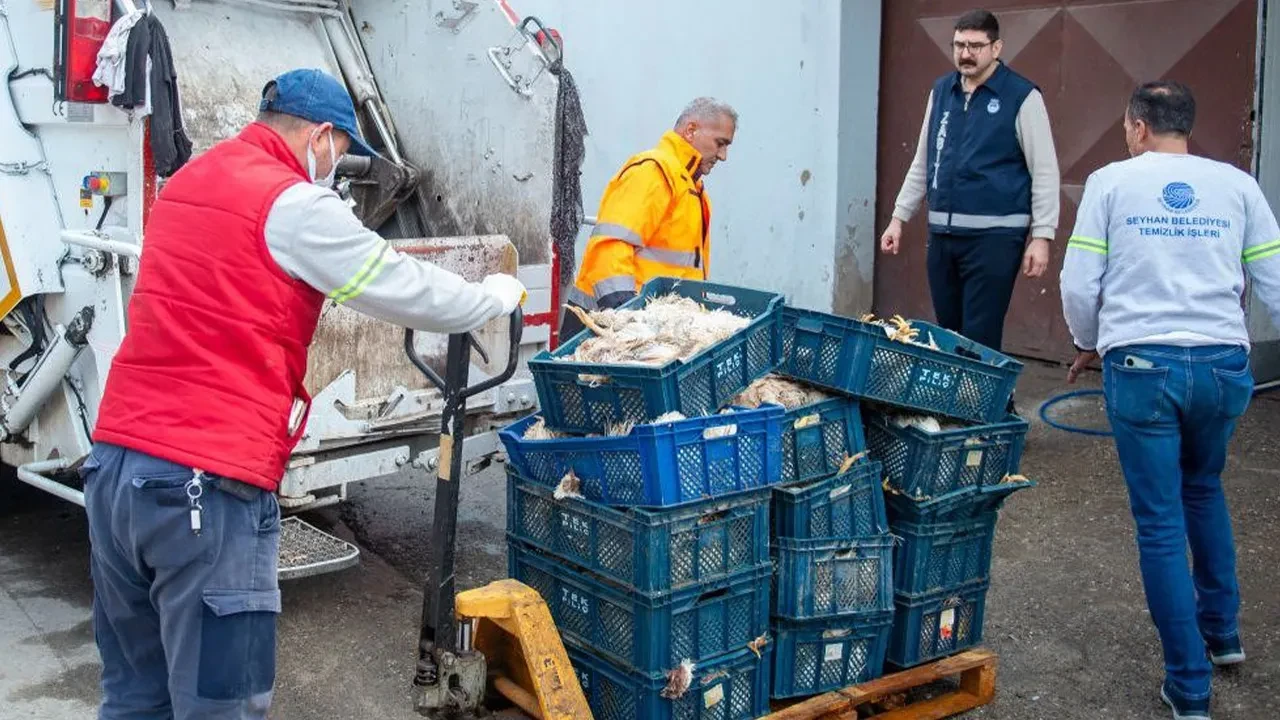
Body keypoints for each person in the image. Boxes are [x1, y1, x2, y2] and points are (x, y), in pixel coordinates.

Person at [80, 68, 526, 719]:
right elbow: (394, 281)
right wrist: (486, 300)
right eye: (343, 151)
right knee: (220, 701)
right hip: (203, 484)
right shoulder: (291, 203)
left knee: (133, 696)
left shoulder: (188, 184)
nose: (340, 167)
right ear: (321, 135)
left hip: (116, 470)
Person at [1061, 81, 1280, 720]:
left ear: (1136, 126)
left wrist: (1088, 341)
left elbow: (1080, 284)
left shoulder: (1110, 182)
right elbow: (1272, 277)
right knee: (1205, 489)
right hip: (1220, 366)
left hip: (1141, 365)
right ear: (1186, 126)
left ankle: (1188, 685)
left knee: (1159, 522)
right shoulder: (1236, 185)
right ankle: (1224, 636)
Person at [880, 9, 1059, 372]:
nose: (966, 53)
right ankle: (955, 411)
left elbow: (1044, 170)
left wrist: (1042, 235)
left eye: (976, 46)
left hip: (995, 238)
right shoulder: (941, 90)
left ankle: (986, 414)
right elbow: (923, 160)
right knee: (949, 332)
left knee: (980, 335)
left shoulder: (1021, 96)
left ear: (996, 48)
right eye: (960, 44)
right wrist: (898, 218)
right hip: (944, 236)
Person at [560, 97, 737, 339]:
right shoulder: (654, 171)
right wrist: (628, 317)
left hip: (650, 330)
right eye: (720, 143)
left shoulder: (692, 190)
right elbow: (610, 248)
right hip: (606, 329)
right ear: (691, 130)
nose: (723, 155)